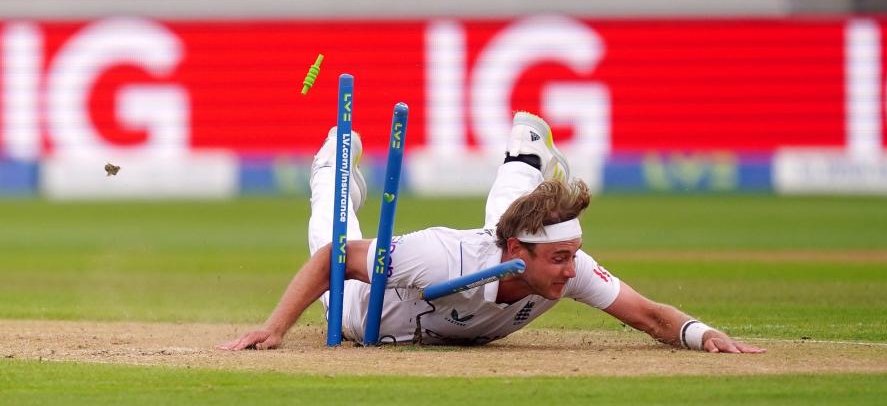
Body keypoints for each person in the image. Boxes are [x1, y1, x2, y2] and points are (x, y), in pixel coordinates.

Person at [220, 112, 765, 353]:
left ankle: (527, 145)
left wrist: (701, 333)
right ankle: (331, 166)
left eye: (571, 255)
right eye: (559, 258)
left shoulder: (563, 271)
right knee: (331, 233)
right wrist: (275, 329)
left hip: (498, 246)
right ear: (516, 253)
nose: (571, 269)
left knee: (509, 218)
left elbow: (648, 316)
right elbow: (332, 260)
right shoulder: (441, 258)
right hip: (362, 312)